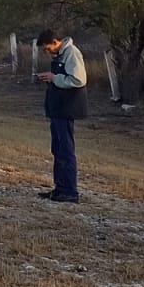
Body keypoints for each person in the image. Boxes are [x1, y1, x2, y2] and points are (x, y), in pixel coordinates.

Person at [34, 28, 86, 202]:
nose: (48, 53)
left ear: (56, 42)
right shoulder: (61, 54)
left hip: (67, 108)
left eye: (48, 49)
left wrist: (54, 78)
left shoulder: (71, 53)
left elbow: (78, 80)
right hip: (58, 109)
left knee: (66, 151)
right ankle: (60, 188)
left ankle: (70, 192)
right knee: (57, 150)